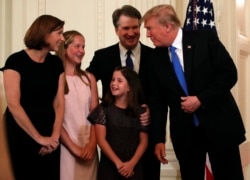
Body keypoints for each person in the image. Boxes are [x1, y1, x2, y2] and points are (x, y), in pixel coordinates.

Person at [141, 4, 246, 180]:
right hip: (186, 135)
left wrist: (201, 99)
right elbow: (157, 102)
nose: (147, 34)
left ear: (167, 26)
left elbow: (229, 74)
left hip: (219, 126)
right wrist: (158, 139)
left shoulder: (205, 39)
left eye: (150, 28)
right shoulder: (155, 58)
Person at [86, 5, 160, 180]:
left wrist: (150, 109)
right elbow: (86, 80)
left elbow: (162, 94)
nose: (131, 32)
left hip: (145, 132)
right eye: (126, 28)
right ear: (116, 30)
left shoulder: (155, 56)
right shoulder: (102, 56)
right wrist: (96, 106)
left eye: (135, 27)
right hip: (113, 137)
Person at [1, 14, 65, 180]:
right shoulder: (15, 61)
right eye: (59, 33)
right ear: (45, 33)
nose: (62, 38)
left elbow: (59, 102)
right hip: (21, 131)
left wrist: (54, 138)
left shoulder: (56, 63)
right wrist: (39, 138)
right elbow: (14, 105)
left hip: (49, 130)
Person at [88, 66, 148, 180]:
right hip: (109, 168)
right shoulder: (103, 109)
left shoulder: (140, 111)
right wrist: (119, 164)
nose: (114, 83)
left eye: (119, 81)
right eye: (113, 79)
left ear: (130, 87)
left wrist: (131, 164)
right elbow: (101, 140)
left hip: (134, 168)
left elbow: (143, 142)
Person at [56, 30, 99, 180]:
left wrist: (92, 144)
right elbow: (55, 118)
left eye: (83, 47)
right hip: (65, 146)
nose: (82, 51)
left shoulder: (89, 78)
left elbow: (96, 114)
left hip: (89, 146)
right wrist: (74, 148)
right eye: (77, 46)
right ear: (64, 48)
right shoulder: (56, 78)